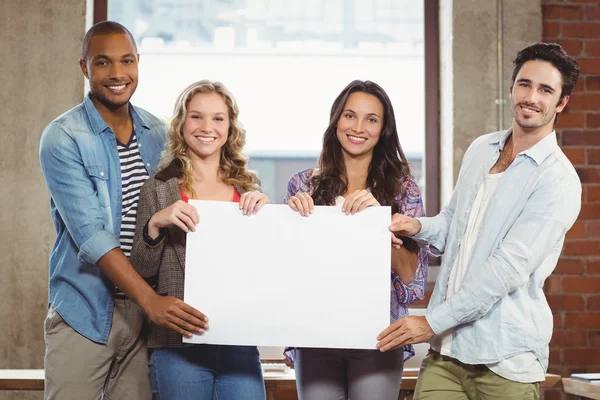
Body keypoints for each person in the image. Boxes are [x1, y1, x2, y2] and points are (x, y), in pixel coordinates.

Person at [377, 42, 582, 399]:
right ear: (512, 87)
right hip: (447, 354)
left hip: (505, 359)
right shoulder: (481, 149)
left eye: (545, 90)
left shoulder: (558, 180)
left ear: (561, 102)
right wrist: (418, 227)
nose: (531, 97)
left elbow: (506, 270)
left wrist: (430, 321)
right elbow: (454, 224)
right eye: (524, 84)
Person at [39, 21, 206, 399]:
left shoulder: (157, 132)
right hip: (86, 312)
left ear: (138, 63)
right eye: (103, 63)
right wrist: (152, 303)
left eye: (126, 61)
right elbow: (92, 236)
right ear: (84, 68)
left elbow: (192, 196)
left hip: (147, 320)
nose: (117, 74)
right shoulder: (63, 137)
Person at [284, 80, 428, 400]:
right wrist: (289, 223)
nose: (358, 127)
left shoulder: (404, 191)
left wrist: (382, 226)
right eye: (350, 115)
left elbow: (412, 284)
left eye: (371, 119)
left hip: (378, 337)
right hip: (315, 335)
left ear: (383, 129)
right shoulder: (302, 185)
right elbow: (287, 271)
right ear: (336, 121)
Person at [129, 80, 269, 400]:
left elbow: (263, 269)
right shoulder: (159, 187)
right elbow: (142, 269)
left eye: (218, 118)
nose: (207, 127)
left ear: (230, 126)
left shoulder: (249, 187)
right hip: (177, 346)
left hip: (238, 343)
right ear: (181, 124)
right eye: (196, 117)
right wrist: (156, 224)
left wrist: (265, 221)